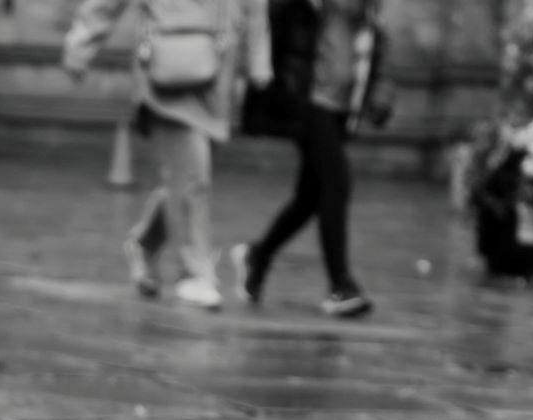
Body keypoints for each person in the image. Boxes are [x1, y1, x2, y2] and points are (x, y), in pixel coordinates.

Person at [64, 0, 269, 311]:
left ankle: (145, 243)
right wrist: (80, 45)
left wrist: (259, 60)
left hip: (216, 76)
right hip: (167, 71)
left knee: (186, 174)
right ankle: (195, 273)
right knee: (192, 177)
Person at [233, 0, 390, 318]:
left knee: (310, 197)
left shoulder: (367, 15)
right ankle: (340, 284)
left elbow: (371, 56)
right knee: (337, 184)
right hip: (309, 102)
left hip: (339, 110)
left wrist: (379, 92)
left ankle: (258, 255)